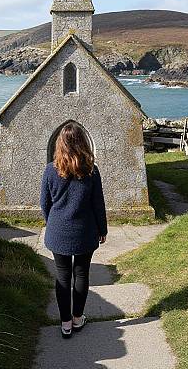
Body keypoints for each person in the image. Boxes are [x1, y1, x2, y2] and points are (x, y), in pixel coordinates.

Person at [40, 122, 108, 339]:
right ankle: (78, 319)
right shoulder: (91, 170)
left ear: (60, 144)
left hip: (58, 231)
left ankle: (66, 324)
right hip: (85, 232)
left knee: (62, 276)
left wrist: (51, 223)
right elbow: (98, 204)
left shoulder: (50, 170)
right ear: (82, 143)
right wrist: (102, 228)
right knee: (81, 273)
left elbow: (44, 204)